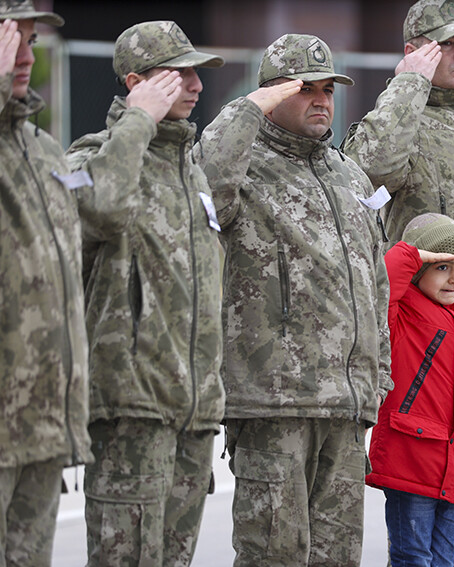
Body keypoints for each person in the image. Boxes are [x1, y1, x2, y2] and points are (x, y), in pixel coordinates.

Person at [341, 2, 454, 562]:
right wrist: (406, 89)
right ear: (416, 52)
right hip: (430, 353)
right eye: (448, 44)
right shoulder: (404, 120)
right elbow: (363, 173)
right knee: (425, 519)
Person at [195, 34, 392, 566]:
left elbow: (374, 279)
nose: (321, 100)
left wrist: (379, 375)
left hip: (346, 403)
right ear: (269, 96)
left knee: (338, 556)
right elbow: (202, 186)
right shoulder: (241, 166)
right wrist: (246, 112)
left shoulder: (347, 173)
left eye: (327, 88)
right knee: (273, 554)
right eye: (305, 89)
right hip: (273, 400)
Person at [65, 20, 226, 566]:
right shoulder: (93, 156)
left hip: (192, 408)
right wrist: (138, 120)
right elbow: (100, 208)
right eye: (177, 74)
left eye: (197, 73)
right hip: (131, 405)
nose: (196, 85)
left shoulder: (192, 171)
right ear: (135, 82)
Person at [0, 2, 92, 565]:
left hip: (41, 419)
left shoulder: (40, 149)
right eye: (12, 41)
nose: (24, 59)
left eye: (29, 43)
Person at [367, 213, 454, 567]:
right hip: (412, 463)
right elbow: (385, 275)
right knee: (412, 557)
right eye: (442, 267)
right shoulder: (401, 312)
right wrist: (416, 253)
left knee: (443, 559)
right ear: (419, 266)